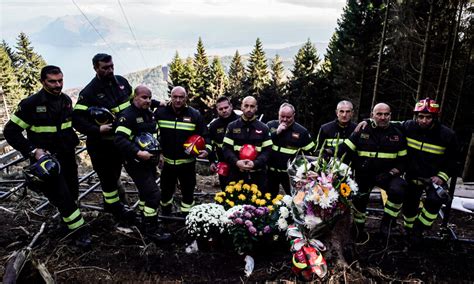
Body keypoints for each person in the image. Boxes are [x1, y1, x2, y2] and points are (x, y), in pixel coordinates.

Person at [4, 65, 91, 247]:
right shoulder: (30, 104)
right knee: (63, 197)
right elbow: (10, 131)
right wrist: (33, 150)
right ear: (42, 81)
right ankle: (80, 232)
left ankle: (67, 225)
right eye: (52, 81)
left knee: (73, 192)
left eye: (60, 80)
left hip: (67, 156)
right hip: (46, 163)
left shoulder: (66, 100)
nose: (57, 85)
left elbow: (71, 126)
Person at [72, 53, 136, 222]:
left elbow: (134, 103)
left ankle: (120, 204)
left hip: (124, 141)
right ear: (95, 68)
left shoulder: (122, 82)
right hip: (102, 145)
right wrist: (97, 129)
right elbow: (76, 119)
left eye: (111, 66)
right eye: (105, 68)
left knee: (121, 174)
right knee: (108, 179)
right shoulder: (89, 92)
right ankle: (115, 209)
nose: (110, 70)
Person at [339, 103, 407, 242]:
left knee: (399, 189)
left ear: (390, 115)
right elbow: (344, 150)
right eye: (379, 114)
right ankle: (358, 228)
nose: (383, 117)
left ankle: (387, 224)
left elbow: (403, 162)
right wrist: (327, 153)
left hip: (387, 175)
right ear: (372, 115)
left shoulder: (398, 134)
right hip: (364, 175)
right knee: (359, 199)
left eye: (386, 114)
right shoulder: (362, 130)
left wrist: (390, 174)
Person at [114, 85, 171, 242]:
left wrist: (159, 155)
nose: (147, 100)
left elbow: (153, 137)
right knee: (154, 194)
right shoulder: (127, 116)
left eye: (149, 97)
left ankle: (144, 218)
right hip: (135, 162)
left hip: (149, 161)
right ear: (135, 98)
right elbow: (119, 140)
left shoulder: (149, 114)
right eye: (144, 97)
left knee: (146, 193)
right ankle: (151, 228)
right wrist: (137, 153)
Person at [398, 98, 458, 242]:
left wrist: (442, 176)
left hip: (433, 178)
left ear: (435, 117)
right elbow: (387, 124)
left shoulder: (447, 135)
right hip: (412, 176)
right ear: (416, 116)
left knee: (435, 200)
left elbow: (453, 160)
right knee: (409, 207)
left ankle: (420, 228)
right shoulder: (407, 126)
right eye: (421, 117)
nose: (424, 121)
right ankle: (409, 230)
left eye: (428, 117)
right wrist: (368, 122)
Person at [154, 86, 210, 215]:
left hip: (187, 164)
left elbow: (205, 135)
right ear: (171, 97)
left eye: (181, 97)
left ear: (186, 98)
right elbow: (152, 133)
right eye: (175, 97)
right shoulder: (160, 113)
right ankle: (166, 215)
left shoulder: (195, 114)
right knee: (165, 193)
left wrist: (207, 149)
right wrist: (158, 153)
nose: (178, 100)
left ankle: (187, 220)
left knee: (188, 193)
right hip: (167, 164)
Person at [222, 96, 272, 192]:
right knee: (234, 203)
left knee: (258, 205)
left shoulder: (264, 128)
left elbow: (268, 151)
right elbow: (226, 148)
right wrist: (236, 162)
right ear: (242, 107)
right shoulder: (232, 126)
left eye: (252, 106)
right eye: (246, 106)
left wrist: (255, 163)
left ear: (256, 108)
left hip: (258, 175)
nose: (249, 109)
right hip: (236, 174)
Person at [266, 103, 315, 196]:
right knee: (267, 201)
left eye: (288, 117)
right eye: (282, 116)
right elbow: (262, 143)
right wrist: (276, 132)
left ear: (294, 115)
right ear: (278, 114)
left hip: (290, 175)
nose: (284, 120)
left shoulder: (302, 131)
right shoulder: (270, 125)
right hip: (270, 173)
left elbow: (311, 153)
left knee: (294, 200)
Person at [208, 96, 239, 190]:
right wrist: (212, 161)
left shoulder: (241, 122)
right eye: (220, 109)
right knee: (225, 191)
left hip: (240, 164)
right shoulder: (214, 126)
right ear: (217, 110)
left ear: (231, 106)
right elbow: (210, 145)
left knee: (241, 192)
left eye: (226, 107)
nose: (224, 110)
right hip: (223, 165)